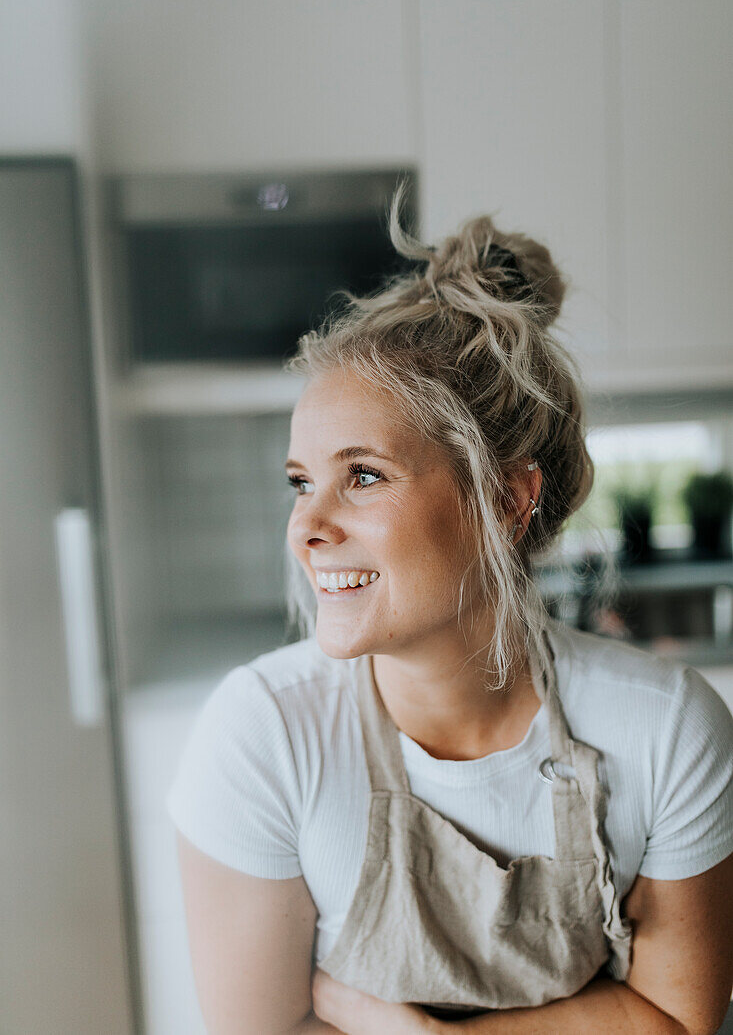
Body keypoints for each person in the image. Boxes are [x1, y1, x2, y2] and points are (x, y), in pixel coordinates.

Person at [167, 195, 733, 1035]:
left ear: (504, 497)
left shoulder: (664, 727)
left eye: (362, 475)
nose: (307, 526)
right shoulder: (265, 736)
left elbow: (677, 1020)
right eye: (299, 482)